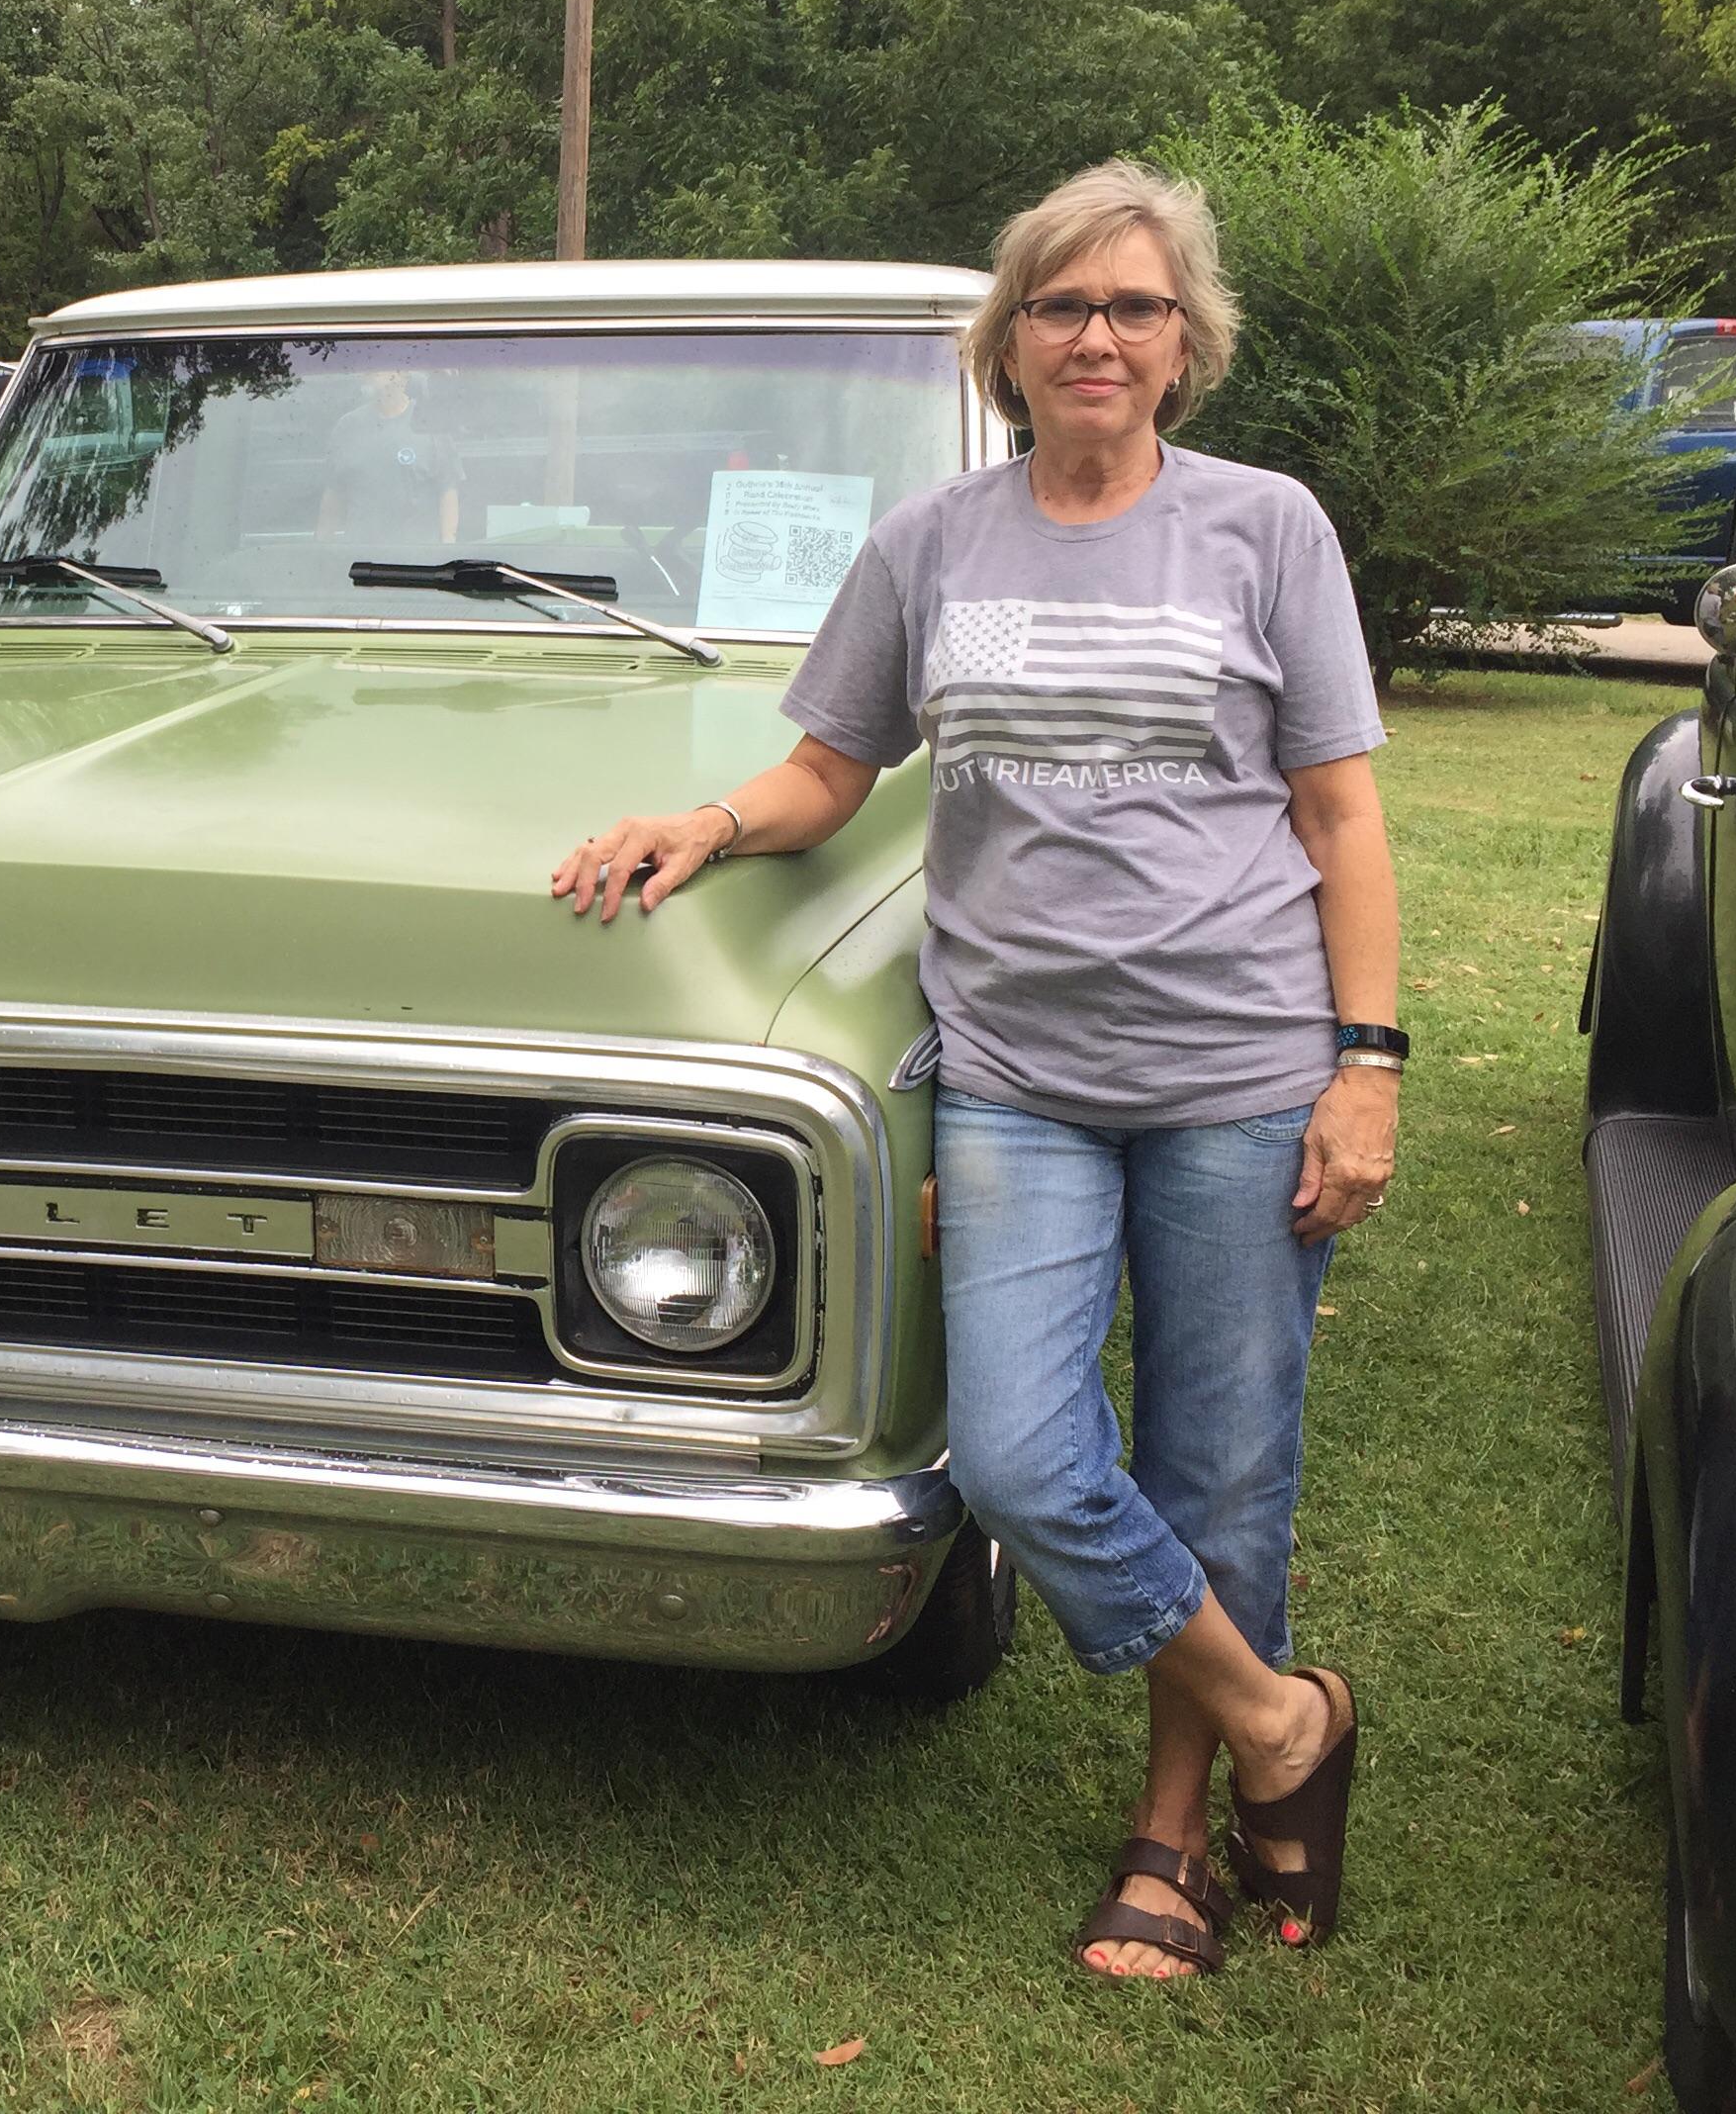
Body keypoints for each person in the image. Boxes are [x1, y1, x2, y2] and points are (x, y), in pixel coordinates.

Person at [549, 160, 1399, 1982]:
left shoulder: (1265, 530)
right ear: (1007, 340)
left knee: (1218, 1468)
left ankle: (1171, 1835)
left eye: (1132, 307)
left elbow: (1338, 816)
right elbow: (826, 769)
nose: (1095, 335)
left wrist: (1367, 1064)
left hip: (1240, 1066)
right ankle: (1283, 1720)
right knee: (1015, 1456)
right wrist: (702, 824)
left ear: (1183, 343)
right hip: (1018, 1070)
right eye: (1059, 305)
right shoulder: (932, 542)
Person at [319, 367, 461, 551]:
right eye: (372, 371)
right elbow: (334, 494)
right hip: (358, 560)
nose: (376, 378)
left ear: (403, 376)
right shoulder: (348, 427)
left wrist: (448, 545)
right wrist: (322, 549)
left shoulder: (430, 422)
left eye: (382, 372)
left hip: (418, 560)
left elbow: (448, 490)